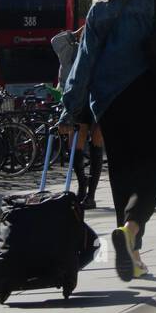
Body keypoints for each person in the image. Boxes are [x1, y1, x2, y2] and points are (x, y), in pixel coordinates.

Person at [63, 0, 156, 283]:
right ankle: (131, 230)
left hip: (111, 102)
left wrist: (71, 106)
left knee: (122, 173)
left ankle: (131, 252)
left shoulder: (101, 10)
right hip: (152, 95)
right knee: (152, 171)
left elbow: (83, 61)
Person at [51, 24, 105, 209]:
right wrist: (80, 30)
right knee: (75, 146)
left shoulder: (102, 51)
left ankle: (91, 194)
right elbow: (55, 41)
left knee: (97, 145)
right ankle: (82, 187)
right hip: (77, 103)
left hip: (99, 101)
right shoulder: (71, 51)